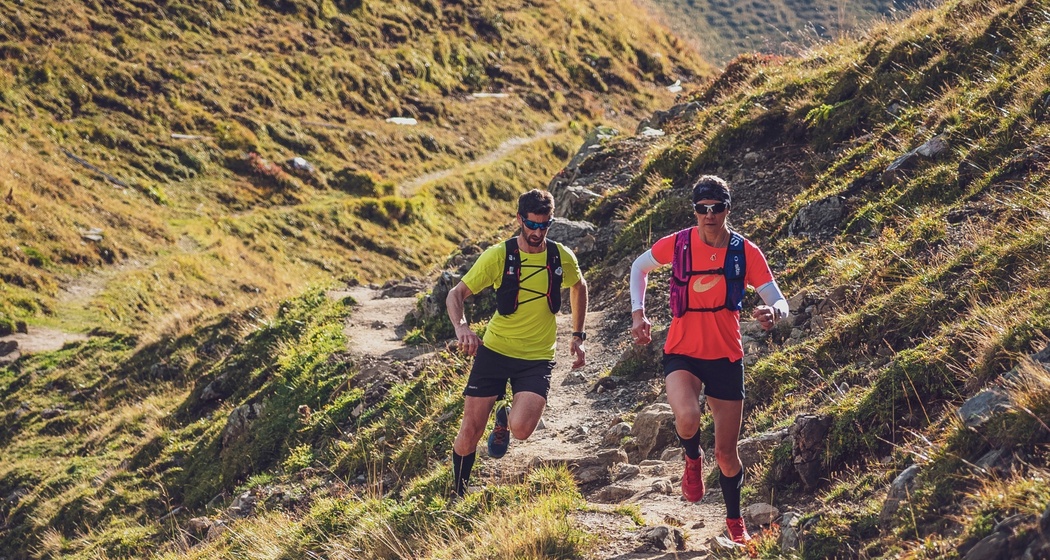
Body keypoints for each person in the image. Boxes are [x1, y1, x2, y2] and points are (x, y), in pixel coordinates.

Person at [629, 175, 789, 544]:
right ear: (695, 211)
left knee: (727, 453)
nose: (709, 215)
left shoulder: (744, 251)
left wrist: (774, 313)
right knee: (687, 418)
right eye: (702, 209)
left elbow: (778, 298)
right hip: (682, 351)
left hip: (725, 355)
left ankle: (735, 522)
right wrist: (638, 313)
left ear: (727, 209)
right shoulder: (679, 244)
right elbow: (639, 267)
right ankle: (692, 458)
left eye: (716, 208)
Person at [446, 188, 588, 498]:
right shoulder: (499, 255)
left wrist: (578, 335)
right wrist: (462, 328)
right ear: (519, 219)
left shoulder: (560, 256)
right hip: (495, 352)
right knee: (470, 431)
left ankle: (505, 418)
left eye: (544, 225)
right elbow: (456, 294)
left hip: (537, 357)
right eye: (532, 225)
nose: (537, 232)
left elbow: (579, 286)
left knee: (522, 429)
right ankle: (458, 493)